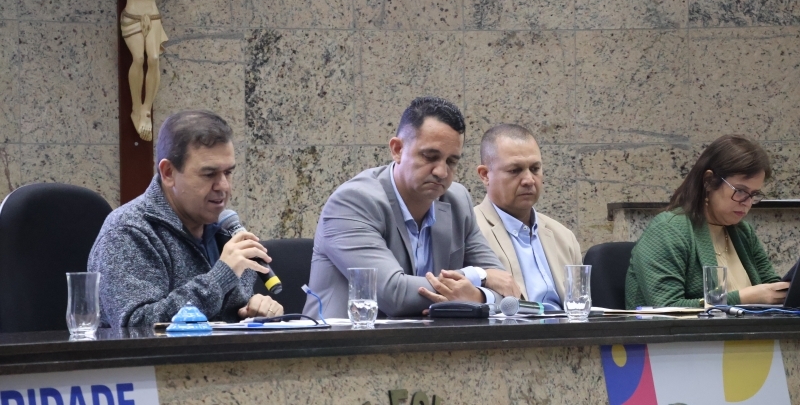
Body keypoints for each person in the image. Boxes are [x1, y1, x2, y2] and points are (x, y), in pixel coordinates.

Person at [303, 97, 516, 319]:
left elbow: (505, 287)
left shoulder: (457, 201)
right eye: (430, 157)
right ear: (397, 149)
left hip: (429, 338)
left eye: (451, 162)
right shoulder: (352, 202)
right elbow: (393, 295)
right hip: (345, 338)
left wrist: (477, 296)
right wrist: (477, 276)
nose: (441, 172)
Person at [88, 110, 283, 327]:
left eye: (228, 173)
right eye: (209, 174)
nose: (223, 186)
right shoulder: (128, 231)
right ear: (168, 173)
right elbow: (137, 326)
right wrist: (221, 277)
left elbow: (222, 321)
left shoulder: (226, 230)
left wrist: (253, 313)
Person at [625, 134, 788, 309]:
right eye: (740, 191)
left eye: (754, 194)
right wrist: (744, 298)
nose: (747, 203)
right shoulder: (667, 230)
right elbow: (667, 307)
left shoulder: (743, 232)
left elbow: (771, 290)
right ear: (709, 181)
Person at [474, 124, 581, 310]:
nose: (529, 180)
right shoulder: (470, 232)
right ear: (485, 175)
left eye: (535, 168)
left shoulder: (564, 237)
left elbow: (580, 307)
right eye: (515, 170)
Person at [120, 0, 170, 141]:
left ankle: (146, 110)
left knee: (154, 58)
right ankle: (136, 108)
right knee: (139, 58)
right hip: (133, 14)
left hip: (153, 14)